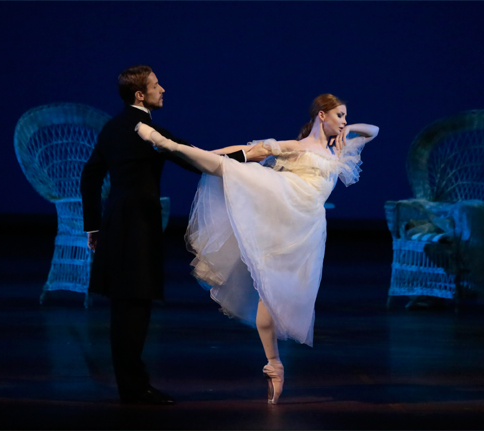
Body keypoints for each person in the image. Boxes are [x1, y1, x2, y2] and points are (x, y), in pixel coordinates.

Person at [135, 94, 379, 404]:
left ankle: (274, 364)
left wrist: (349, 127)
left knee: (273, 298)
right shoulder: (296, 146)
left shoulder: (340, 149)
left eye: (346, 116)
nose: (344, 121)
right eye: (340, 115)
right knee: (234, 168)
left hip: (304, 225)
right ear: (322, 115)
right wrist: (203, 154)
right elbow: (248, 152)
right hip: (283, 199)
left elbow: (373, 130)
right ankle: (171, 146)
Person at [80, 65, 267, 405]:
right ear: (140, 94)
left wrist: (93, 226)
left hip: (116, 224)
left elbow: (91, 175)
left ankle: (132, 385)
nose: (162, 89)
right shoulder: (144, 130)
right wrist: (247, 156)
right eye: (155, 85)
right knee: (134, 309)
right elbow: (196, 159)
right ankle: (134, 389)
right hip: (136, 227)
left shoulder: (112, 127)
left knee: (126, 309)